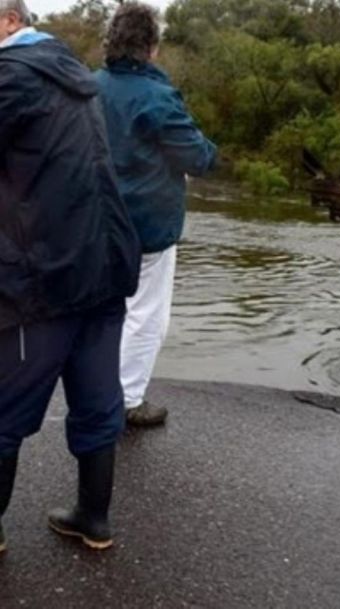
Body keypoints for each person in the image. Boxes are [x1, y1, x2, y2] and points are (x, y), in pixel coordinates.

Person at [0, 0, 141, 552]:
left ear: (8, 21)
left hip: (47, 277)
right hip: (104, 265)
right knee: (97, 395)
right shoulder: (73, 73)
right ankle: (93, 518)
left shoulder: (11, 78)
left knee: (5, 405)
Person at [96, 3, 217, 428]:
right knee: (146, 315)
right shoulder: (157, 97)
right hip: (146, 226)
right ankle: (127, 400)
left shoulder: (89, 88)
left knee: (104, 312)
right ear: (151, 49)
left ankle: (95, 393)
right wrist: (207, 148)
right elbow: (198, 158)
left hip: (95, 224)